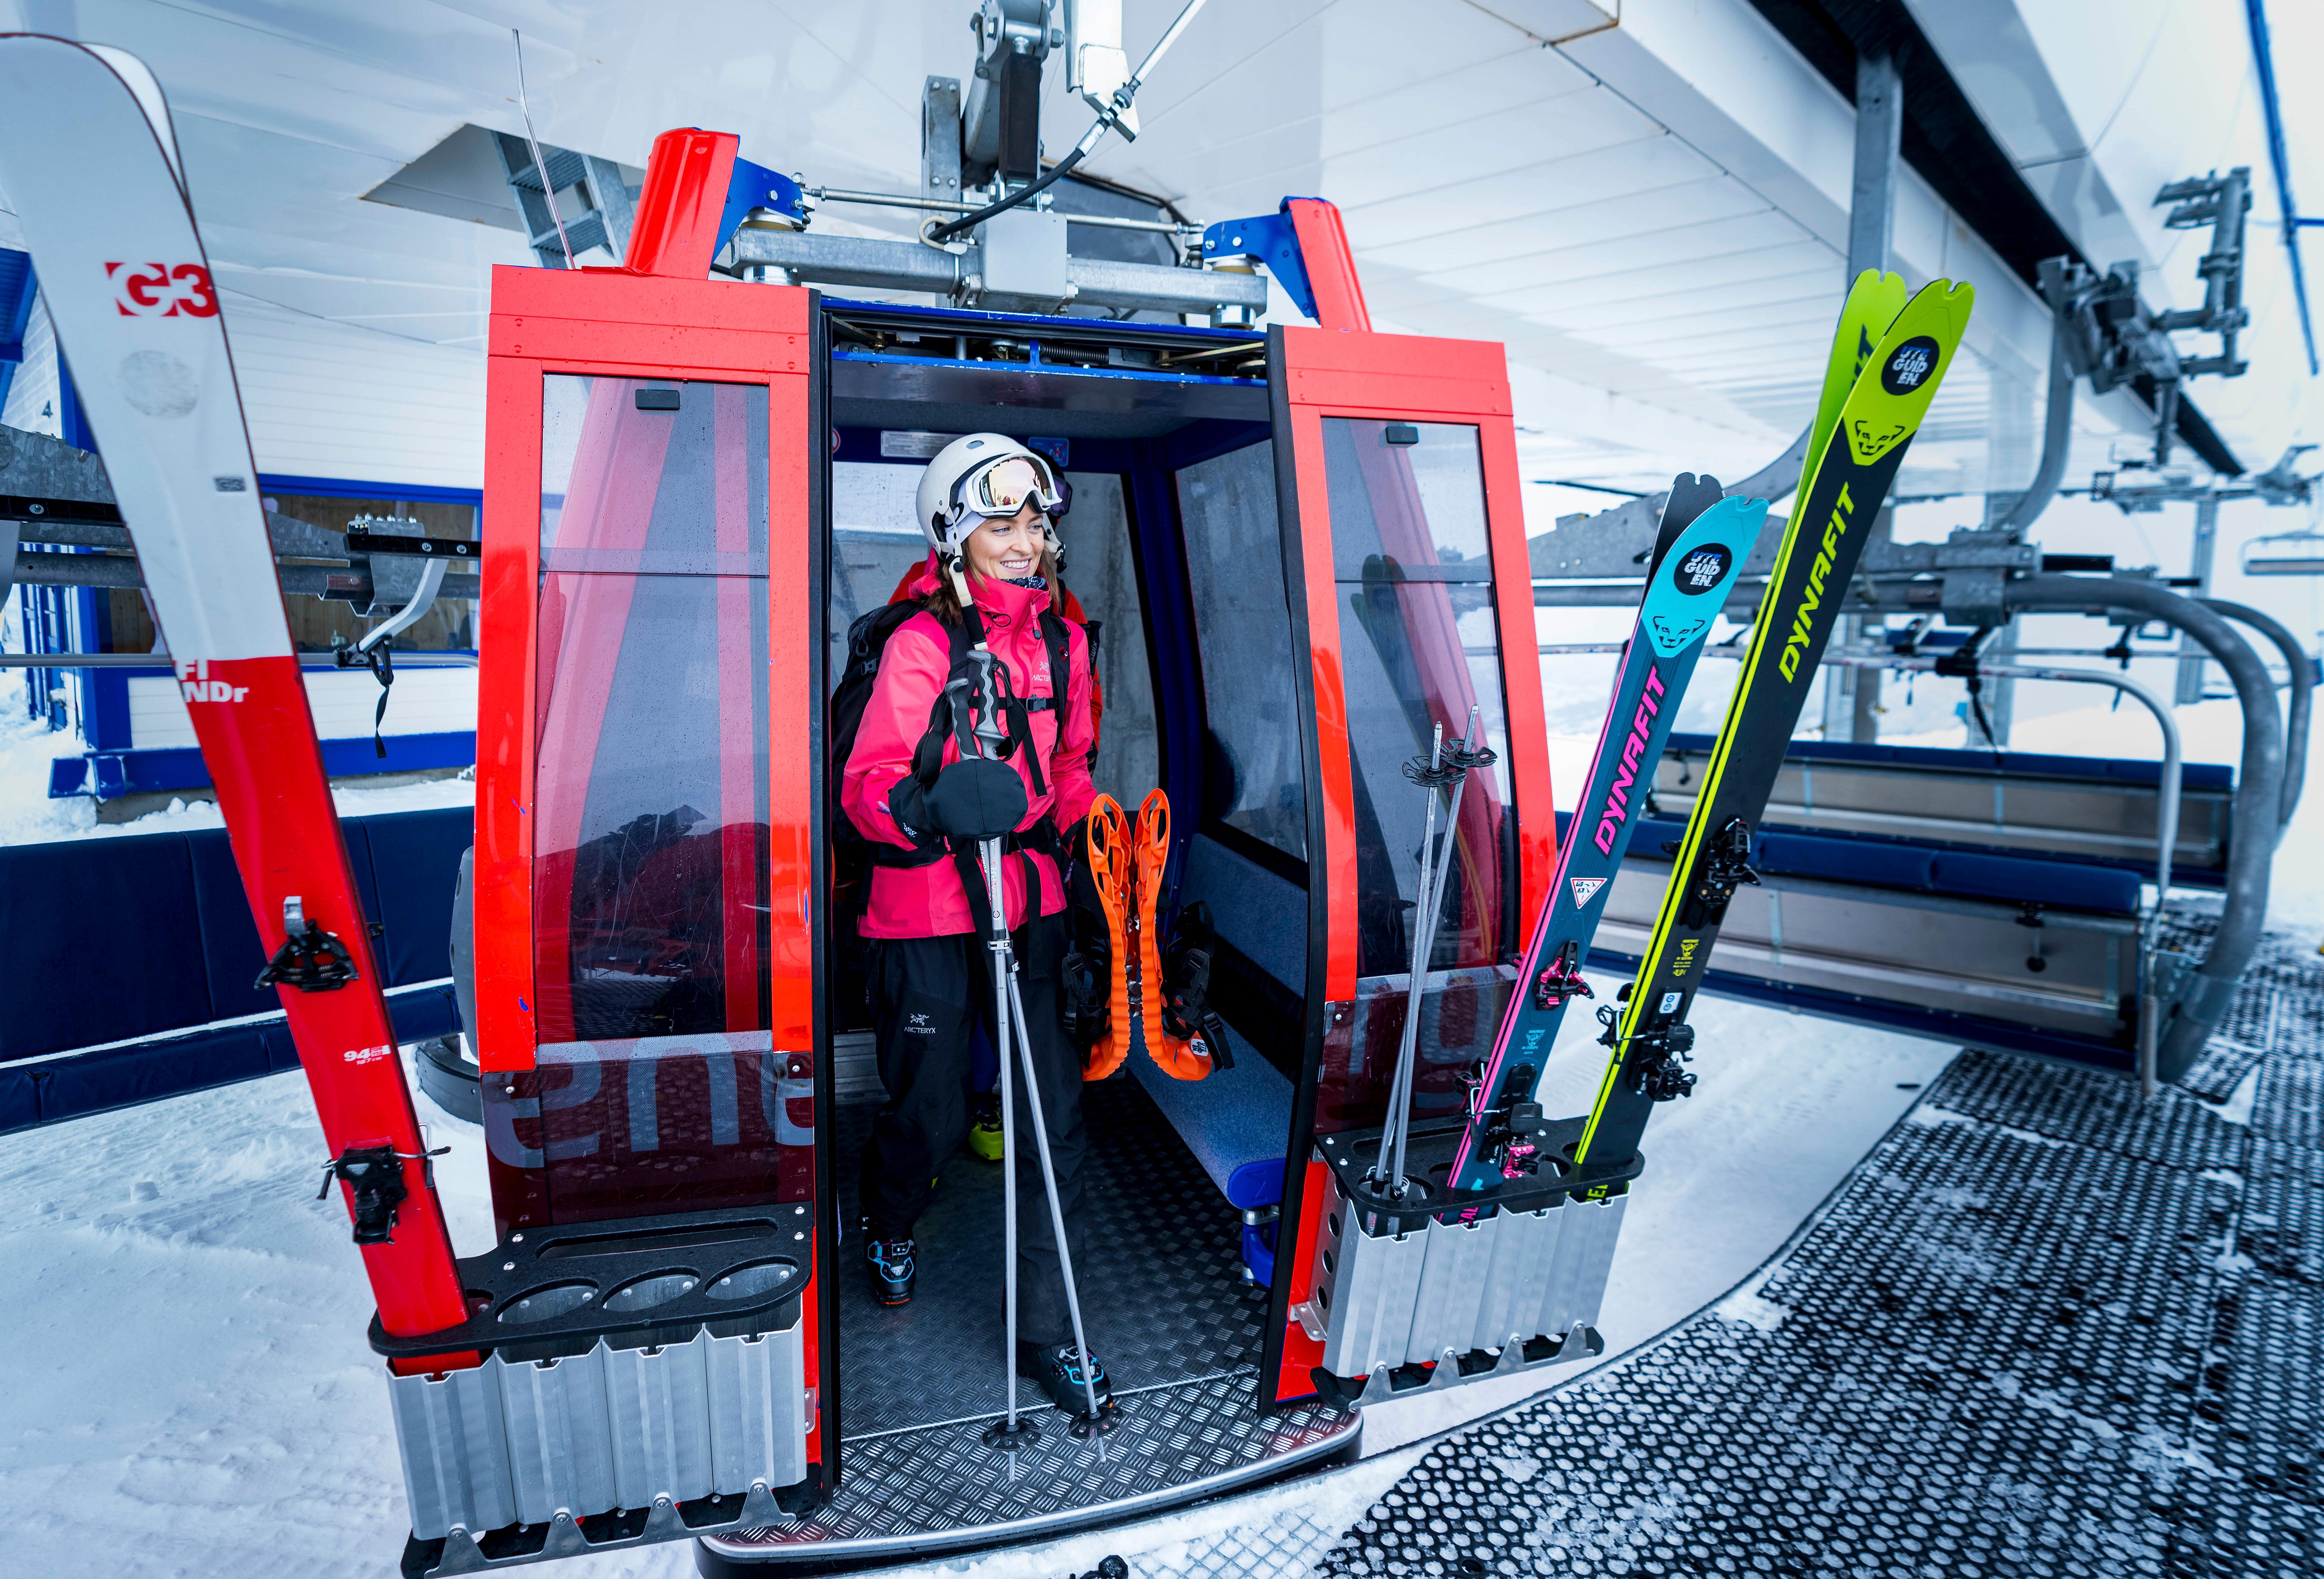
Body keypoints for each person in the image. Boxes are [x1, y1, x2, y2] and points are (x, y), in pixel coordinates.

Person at [839, 433, 1110, 1417]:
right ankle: (889, 1217)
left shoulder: (1065, 643)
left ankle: (1050, 1329)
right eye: (1001, 524)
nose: (1024, 541)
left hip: (1029, 900)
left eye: (1034, 523)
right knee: (934, 1113)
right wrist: (932, 807)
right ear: (954, 536)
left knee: (1054, 1121)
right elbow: (866, 787)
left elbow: (1069, 766)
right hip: (926, 908)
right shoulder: (921, 643)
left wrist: (1096, 830)